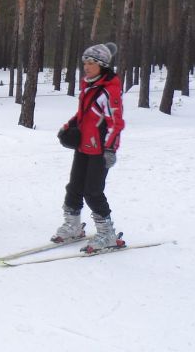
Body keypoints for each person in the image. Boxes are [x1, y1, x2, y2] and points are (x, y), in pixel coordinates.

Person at [53, 42, 126, 252]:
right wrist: (69, 126)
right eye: (85, 61)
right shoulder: (89, 85)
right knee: (74, 187)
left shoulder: (108, 91)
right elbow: (84, 115)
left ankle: (107, 234)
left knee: (93, 191)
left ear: (102, 64)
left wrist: (110, 149)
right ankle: (73, 226)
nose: (86, 66)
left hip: (101, 150)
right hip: (83, 146)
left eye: (91, 62)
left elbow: (115, 123)